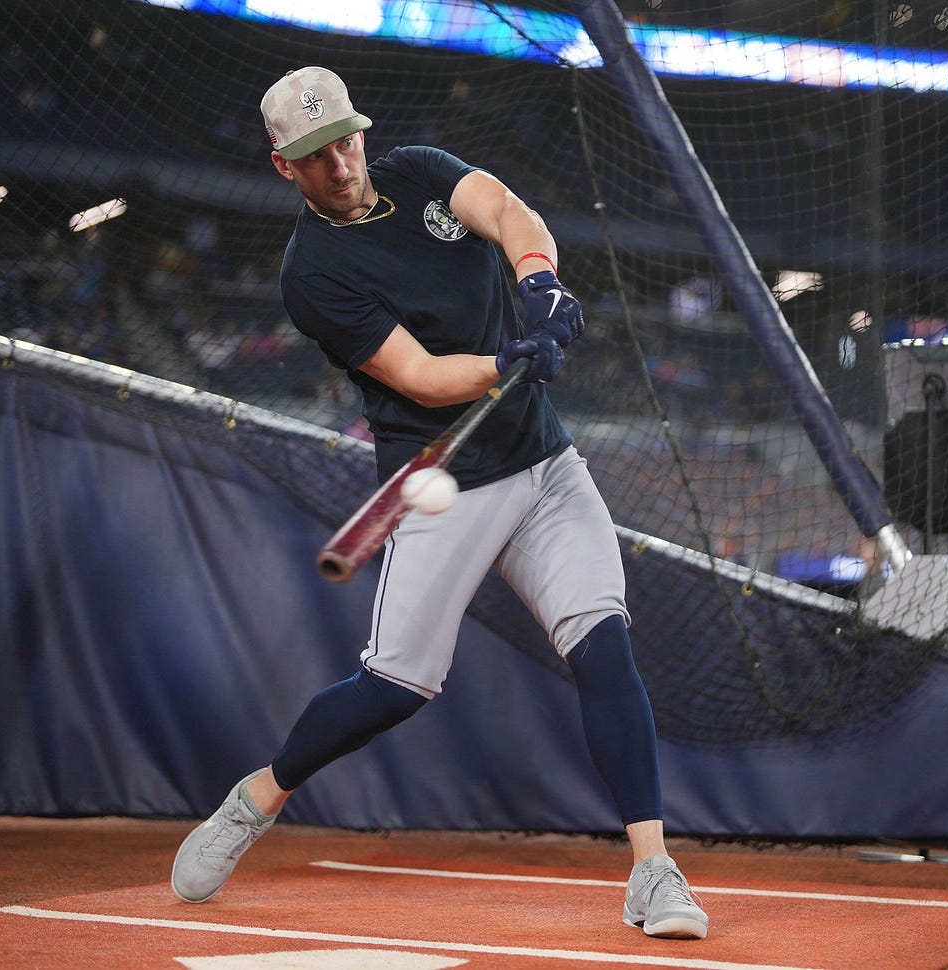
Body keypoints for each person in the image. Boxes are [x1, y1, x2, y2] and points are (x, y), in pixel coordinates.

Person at [170, 66, 709, 941]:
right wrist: (506, 364)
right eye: (315, 154)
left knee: (602, 645)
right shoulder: (312, 274)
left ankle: (653, 870)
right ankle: (254, 800)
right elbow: (418, 375)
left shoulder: (419, 170)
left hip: (542, 461)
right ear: (285, 167)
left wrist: (539, 283)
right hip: (441, 479)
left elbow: (507, 213)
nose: (340, 163)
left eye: (344, 139)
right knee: (394, 685)